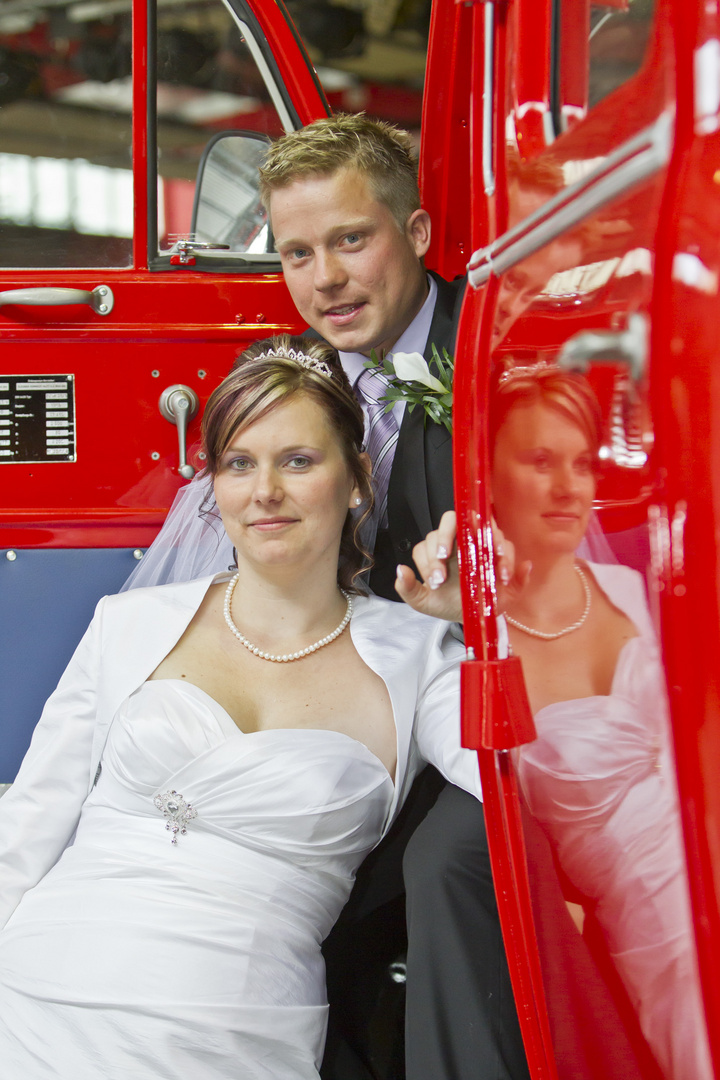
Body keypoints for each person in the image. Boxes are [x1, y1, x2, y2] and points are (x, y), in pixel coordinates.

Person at [124, 113, 528, 1080]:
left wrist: (489, 588)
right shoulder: (291, 379)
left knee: (442, 866)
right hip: (339, 705)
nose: (326, 280)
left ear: (419, 234)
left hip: (495, 694)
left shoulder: (503, 352)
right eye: (298, 252)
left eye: (353, 239)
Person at [0, 338, 481, 1080]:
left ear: (356, 480)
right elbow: (27, 828)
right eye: (239, 463)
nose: (264, 491)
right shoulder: (125, 625)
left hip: (237, 1030)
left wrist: (490, 627)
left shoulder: (418, 654)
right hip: (41, 991)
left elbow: (526, 774)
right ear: (213, 486)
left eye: (297, 460)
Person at [432, 362, 713, 1080]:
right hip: (653, 903)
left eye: (582, 464)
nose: (569, 488)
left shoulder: (624, 586)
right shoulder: (475, 638)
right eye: (539, 462)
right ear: (486, 478)